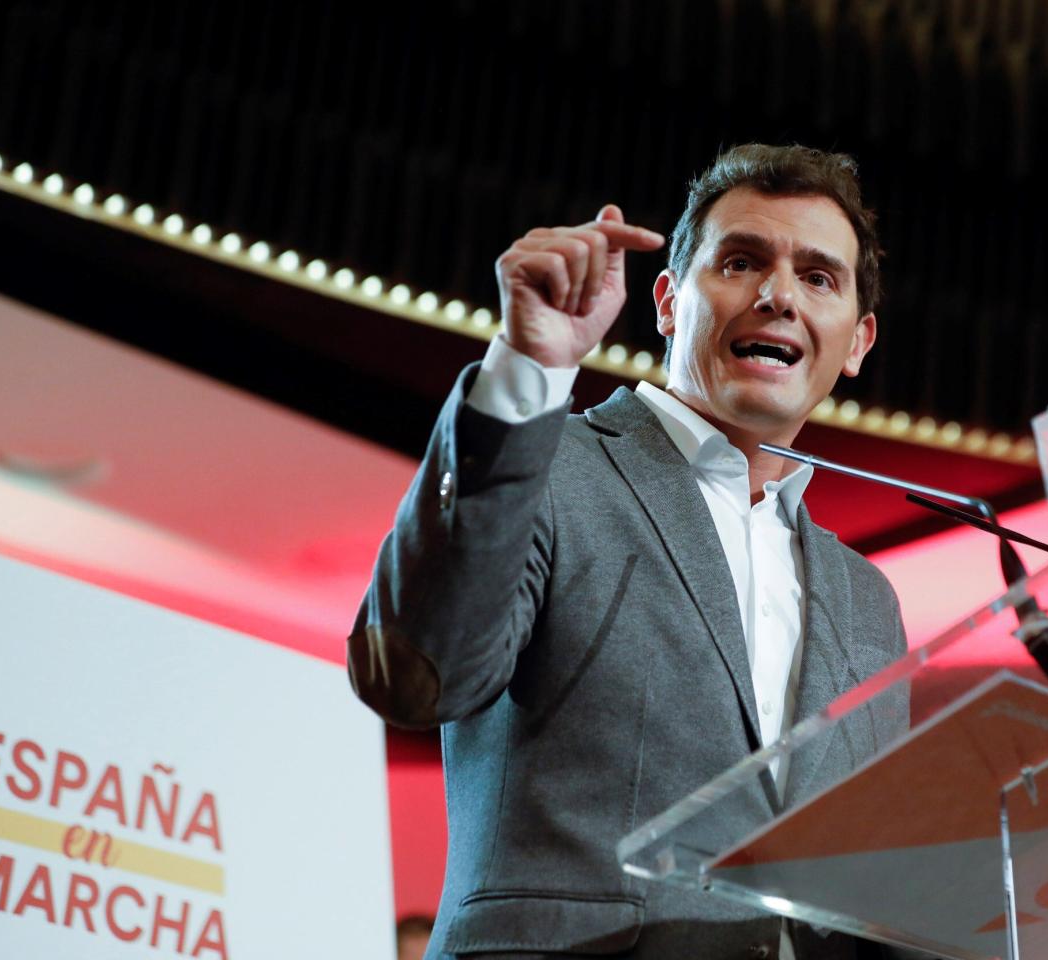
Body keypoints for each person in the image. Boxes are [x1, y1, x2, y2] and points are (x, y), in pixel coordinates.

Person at [349, 144, 912, 960]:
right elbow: (411, 673)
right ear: (668, 301)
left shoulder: (869, 601)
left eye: (818, 277)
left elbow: (877, 882)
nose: (778, 295)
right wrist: (527, 370)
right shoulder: (548, 464)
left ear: (856, 342)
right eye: (741, 261)